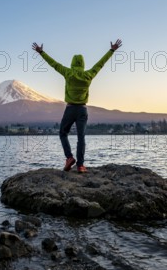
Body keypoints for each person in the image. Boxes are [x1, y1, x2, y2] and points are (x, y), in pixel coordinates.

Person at [32, 39, 122, 173]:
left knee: (63, 133)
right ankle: (80, 165)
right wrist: (112, 50)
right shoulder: (89, 75)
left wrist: (41, 52)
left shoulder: (68, 73)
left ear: (72, 63)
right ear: (83, 64)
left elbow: (53, 64)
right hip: (82, 110)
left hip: (70, 109)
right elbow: (101, 63)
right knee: (81, 137)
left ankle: (69, 158)